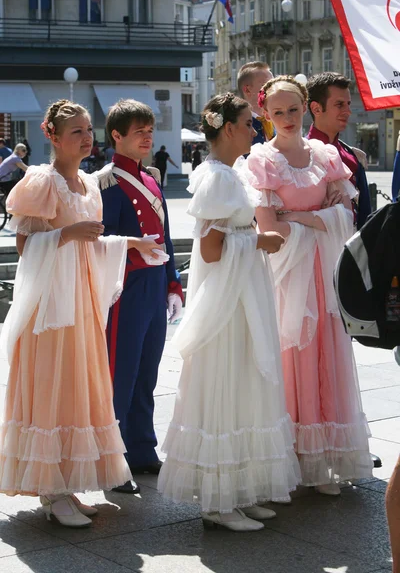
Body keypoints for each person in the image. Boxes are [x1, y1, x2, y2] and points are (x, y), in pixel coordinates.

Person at [0, 99, 164, 528]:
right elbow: (24, 246)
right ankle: (51, 491)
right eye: (76, 131)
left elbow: (94, 242)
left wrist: (130, 244)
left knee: (76, 386)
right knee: (53, 383)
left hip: (83, 300)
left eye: (89, 129)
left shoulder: (89, 185)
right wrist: (67, 233)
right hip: (52, 304)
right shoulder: (42, 180)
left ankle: (66, 483)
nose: (86, 137)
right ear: (51, 136)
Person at [158, 92, 301, 532]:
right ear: (227, 128)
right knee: (226, 378)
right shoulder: (219, 179)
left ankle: (238, 491)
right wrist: (261, 240)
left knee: (244, 381)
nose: (255, 130)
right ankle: (217, 504)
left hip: (243, 291)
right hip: (228, 297)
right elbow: (211, 250)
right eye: (248, 122)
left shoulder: (230, 173)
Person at [246, 76, 373, 495]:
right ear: (265, 113)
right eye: (277, 112)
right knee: (291, 356)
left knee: (328, 355)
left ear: (306, 108)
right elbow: (268, 228)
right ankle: (293, 456)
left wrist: (299, 217)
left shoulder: (325, 154)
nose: (286, 119)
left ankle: (324, 459)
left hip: (325, 270)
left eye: (293, 110)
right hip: (286, 274)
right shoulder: (261, 160)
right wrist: (316, 219)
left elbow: (347, 217)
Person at [96, 99, 183, 494]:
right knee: (120, 376)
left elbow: (163, 235)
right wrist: (132, 251)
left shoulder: (151, 176)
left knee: (147, 374)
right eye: (139, 132)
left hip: (153, 286)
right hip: (125, 287)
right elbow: (98, 240)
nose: (148, 138)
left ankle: (142, 449)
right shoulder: (105, 182)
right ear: (117, 136)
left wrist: (172, 281)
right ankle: (110, 461)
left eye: (150, 131)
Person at [306, 72, 372, 229]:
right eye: (339, 104)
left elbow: (365, 215)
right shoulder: (298, 155)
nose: (348, 111)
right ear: (316, 108)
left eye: (348, 104)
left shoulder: (351, 155)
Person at [237, 61, 274, 145]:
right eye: (267, 85)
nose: (274, 90)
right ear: (247, 90)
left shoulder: (277, 122)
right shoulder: (238, 128)